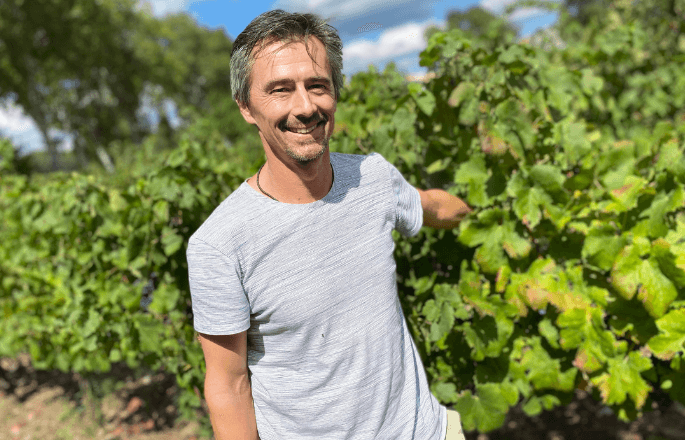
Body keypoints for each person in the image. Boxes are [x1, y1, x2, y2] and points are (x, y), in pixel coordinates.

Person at [186, 10, 472, 440]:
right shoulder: (219, 244)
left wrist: (480, 212)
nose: (305, 107)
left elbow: (428, 206)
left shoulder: (372, 177)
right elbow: (228, 387)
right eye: (280, 90)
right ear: (246, 107)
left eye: (317, 85)